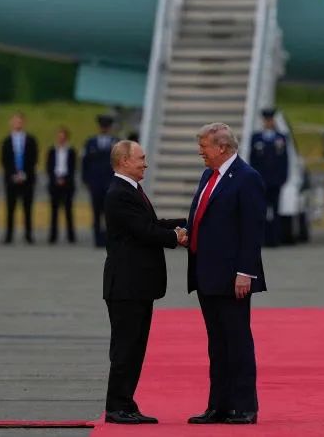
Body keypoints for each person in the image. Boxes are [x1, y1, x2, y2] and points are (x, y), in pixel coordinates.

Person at [186, 123, 267, 426]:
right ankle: (218, 406)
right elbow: (203, 217)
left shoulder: (247, 178)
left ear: (221, 147)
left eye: (204, 146)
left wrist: (245, 272)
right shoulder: (209, 175)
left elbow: (252, 230)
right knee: (217, 344)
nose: (200, 152)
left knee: (237, 341)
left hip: (233, 277)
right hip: (206, 274)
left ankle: (245, 406)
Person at [103, 140, 188, 425]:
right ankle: (117, 407)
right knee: (125, 348)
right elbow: (143, 231)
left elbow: (151, 223)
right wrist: (176, 237)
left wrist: (184, 223)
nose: (145, 164)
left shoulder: (130, 190)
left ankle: (126, 402)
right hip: (126, 286)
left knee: (135, 348)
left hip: (137, 286)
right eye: (140, 158)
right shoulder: (119, 193)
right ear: (124, 161)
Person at [249, 108, 291, 248]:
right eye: (266, 120)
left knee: (275, 210)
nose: (268, 122)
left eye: (270, 120)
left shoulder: (281, 138)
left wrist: (283, 177)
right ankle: (262, 238)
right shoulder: (256, 138)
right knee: (261, 211)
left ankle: (274, 238)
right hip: (261, 180)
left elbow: (284, 160)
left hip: (275, 180)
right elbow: (253, 160)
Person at [1, 112, 38, 244]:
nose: (18, 124)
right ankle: (9, 235)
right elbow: (5, 160)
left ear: (24, 123)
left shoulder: (30, 140)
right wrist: (13, 174)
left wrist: (24, 174)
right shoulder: (6, 141)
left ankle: (28, 235)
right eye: (15, 121)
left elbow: (33, 159)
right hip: (12, 180)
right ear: (11, 123)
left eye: (20, 121)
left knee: (27, 209)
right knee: (10, 208)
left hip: (27, 179)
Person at [82, 114, 118, 247]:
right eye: (102, 126)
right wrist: (86, 179)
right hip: (96, 182)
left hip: (111, 183)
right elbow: (85, 162)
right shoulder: (90, 142)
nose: (104, 128)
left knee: (110, 212)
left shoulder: (117, 142)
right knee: (96, 211)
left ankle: (110, 238)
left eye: (106, 126)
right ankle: (97, 238)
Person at [46, 126, 77, 244]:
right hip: (55, 182)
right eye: (59, 137)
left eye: (63, 137)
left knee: (68, 210)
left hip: (67, 183)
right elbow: (49, 167)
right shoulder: (52, 151)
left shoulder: (71, 151)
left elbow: (73, 168)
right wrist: (55, 179)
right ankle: (53, 236)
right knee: (54, 211)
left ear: (66, 138)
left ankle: (71, 236)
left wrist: (65, 179)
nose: (61, 139)